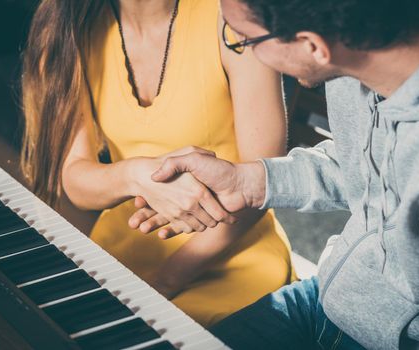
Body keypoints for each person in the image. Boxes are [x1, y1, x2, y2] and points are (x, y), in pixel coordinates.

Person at [132, 0, 419, 348]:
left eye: (243, 40)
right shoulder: (363, 42)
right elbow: (370, 163)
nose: (247, 56)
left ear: (313, 46)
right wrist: (249, 182)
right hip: (330, 294)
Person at [20, 0, 297, 327]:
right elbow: (75, 178)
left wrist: (166, 280)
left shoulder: (235, 19)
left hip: (235, 251)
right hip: (124, 252)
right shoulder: (68, 26)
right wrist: (133, 176)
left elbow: (263, 180)